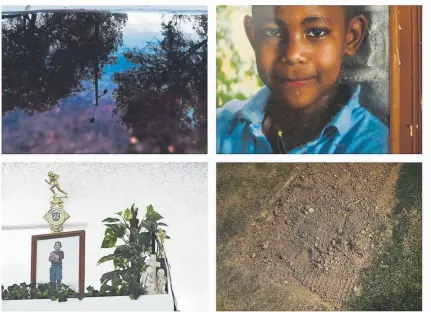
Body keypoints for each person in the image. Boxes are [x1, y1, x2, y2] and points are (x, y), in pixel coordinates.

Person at [217, 5, 389, 154]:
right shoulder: (220, 128)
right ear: (252, 35)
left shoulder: (373, 144)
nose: (292, 55)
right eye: (273, 32)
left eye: (316, 32)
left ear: (352, 36)